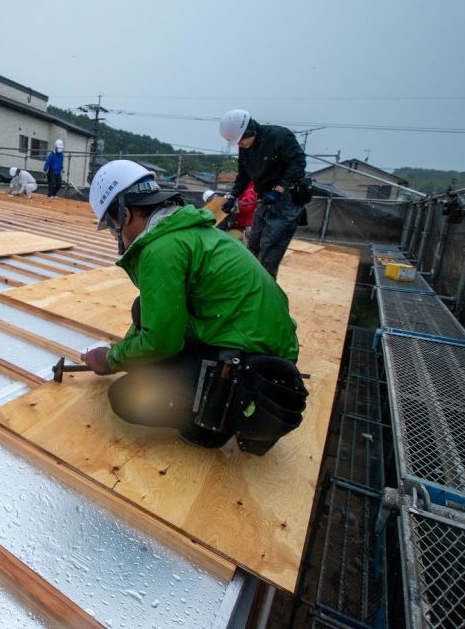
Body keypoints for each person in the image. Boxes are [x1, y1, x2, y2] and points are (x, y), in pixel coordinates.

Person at [78, 160, 307, 455]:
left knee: (127, 397)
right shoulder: (186, 232)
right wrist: (122, 351)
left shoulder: (160, 251)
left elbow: (161, 341)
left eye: (111, 225)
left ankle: (213, 422)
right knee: (143, 309)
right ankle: (209, 390)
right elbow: (152, 319)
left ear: (125, 213)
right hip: (260, 345)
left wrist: (111, 359)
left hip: (253, 372)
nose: (114, 235)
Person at [219, 109, 311, 278]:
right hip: (266, 196)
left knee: (270, 248)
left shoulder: (279, 136)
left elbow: (298, 163)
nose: (240, 145)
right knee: (254, 243)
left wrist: (279, 189)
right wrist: (233, 197)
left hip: (288, 197)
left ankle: (265, 292)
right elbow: (243, 176)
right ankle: (250, 283)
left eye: (241, 141)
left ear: (250, 131)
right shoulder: (246, 147)